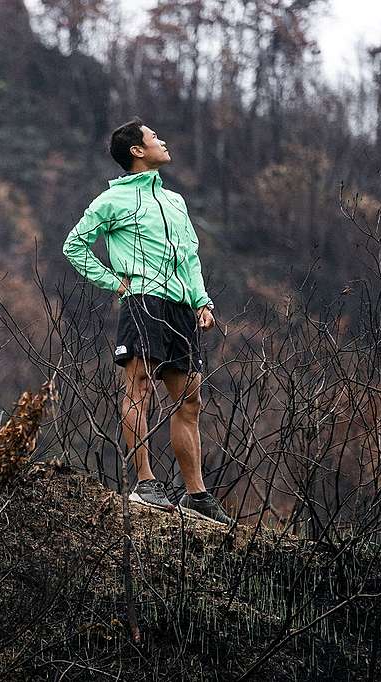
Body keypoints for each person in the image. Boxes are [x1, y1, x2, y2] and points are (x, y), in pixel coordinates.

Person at [61, 116, 233, 526]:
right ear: (137, 151)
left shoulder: (175, 201)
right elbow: (74, 245)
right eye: (155, 137)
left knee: (190, 399)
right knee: (139, 389)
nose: (163, 141)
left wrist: (202, 301)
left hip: (180, 309)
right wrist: (116, 284)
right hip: (143, 301)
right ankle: (145, 482)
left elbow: (189, 256)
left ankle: (196, 495)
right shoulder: (111, 201)